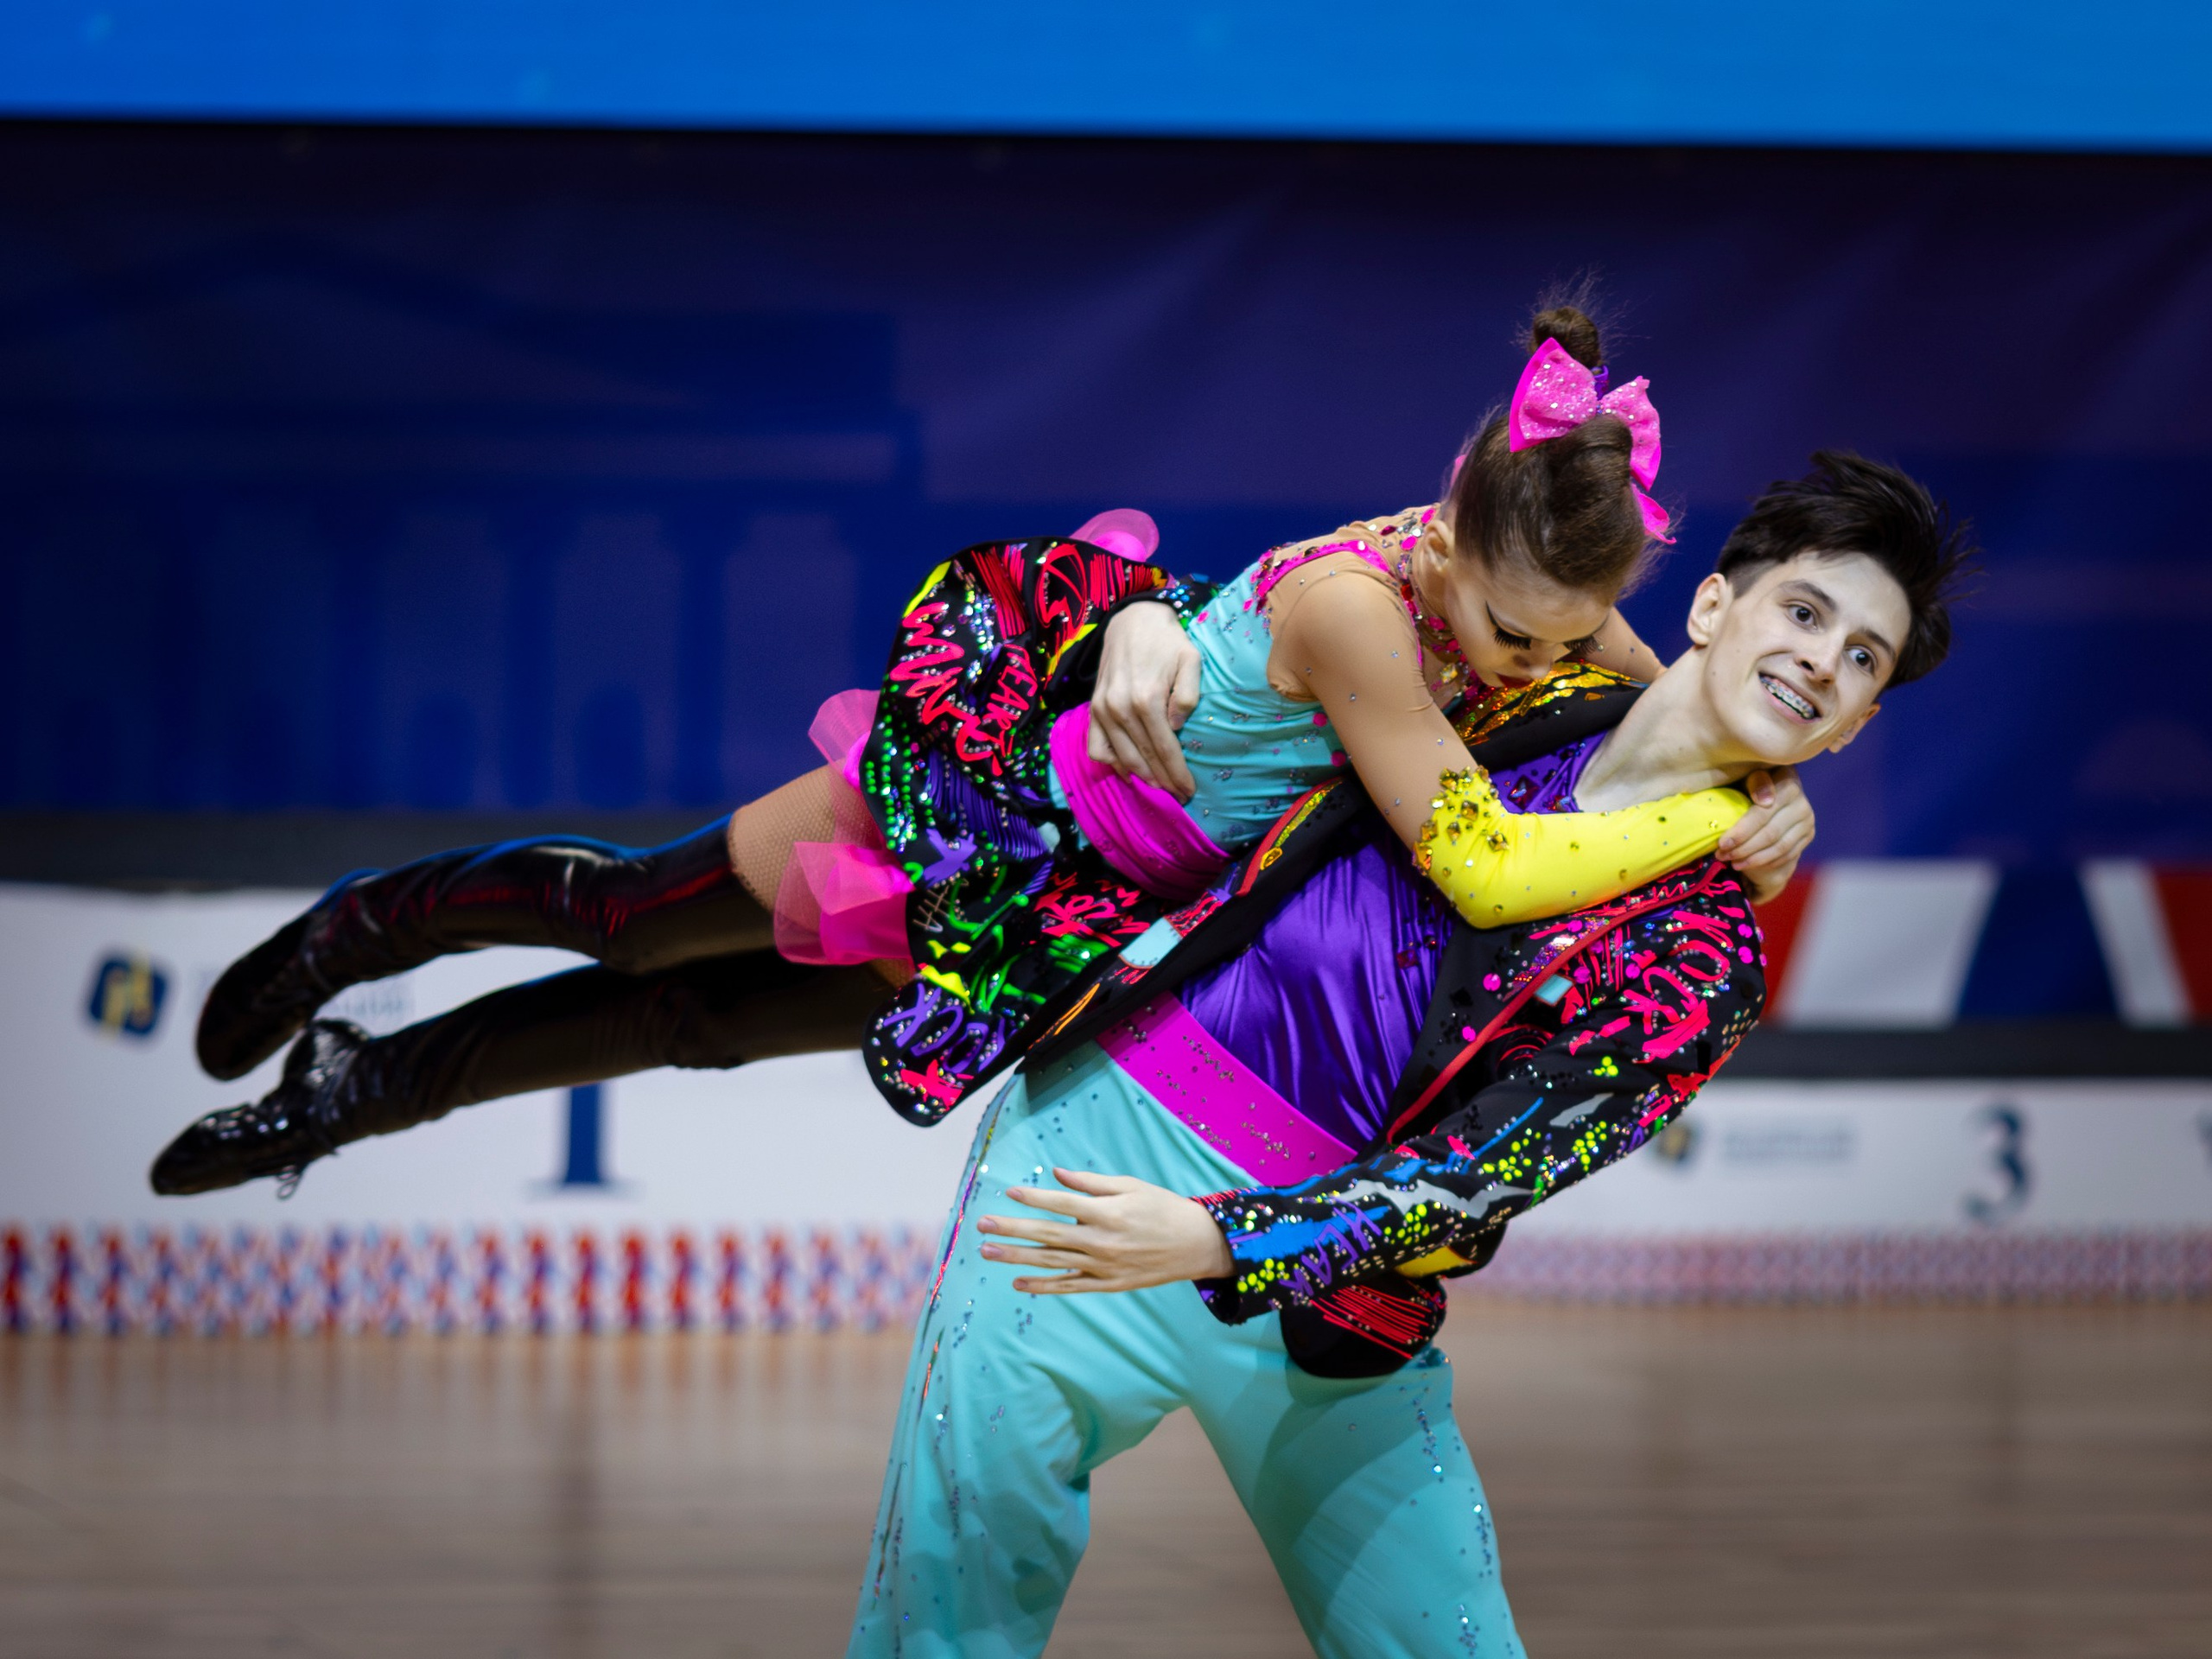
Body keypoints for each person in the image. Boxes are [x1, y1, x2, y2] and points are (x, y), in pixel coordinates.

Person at [149, 301, 1811, 1196]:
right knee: (632, 914)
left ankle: (357, 1093)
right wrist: (1702, 816)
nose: (1536, 663)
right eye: (1516, 629)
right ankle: (357, 931)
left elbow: (1652, 692)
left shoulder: (1549, 585)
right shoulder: (1370, 618)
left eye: (1565, 631)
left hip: (1072, 912)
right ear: (1449, 533)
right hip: (988, 812)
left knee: (704, 1029)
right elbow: (1476, 856)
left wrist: (1764, 780)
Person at [846, 453, 1971, 1657]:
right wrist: (1139, 620)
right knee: (942, 1612)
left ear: (1859, 723)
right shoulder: (1519, 671)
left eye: (1863, 659)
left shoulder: (1706, 958)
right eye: (1805, 612)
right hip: (1091, 1154)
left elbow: (1487, 1168)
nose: (1820, 657)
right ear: (1709, 607)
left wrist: (1229, 1235)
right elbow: (1304, 609)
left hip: (1323, 1287)